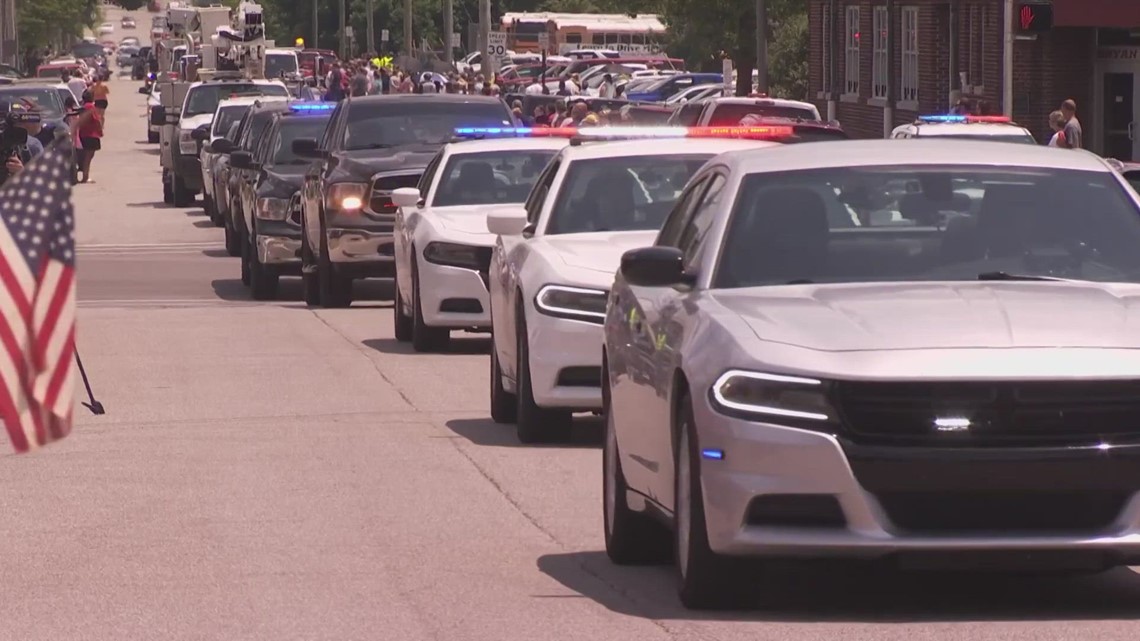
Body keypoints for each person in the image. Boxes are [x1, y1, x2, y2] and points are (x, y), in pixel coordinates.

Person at [75, 97, 103, 183]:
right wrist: (100, 130)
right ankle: (85, 177)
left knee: (85, 157)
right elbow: (97, 121)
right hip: (91, 135)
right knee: (88, 157)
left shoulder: (83, 108)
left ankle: (84, 176)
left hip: (83, 135)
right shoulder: (91, 108)